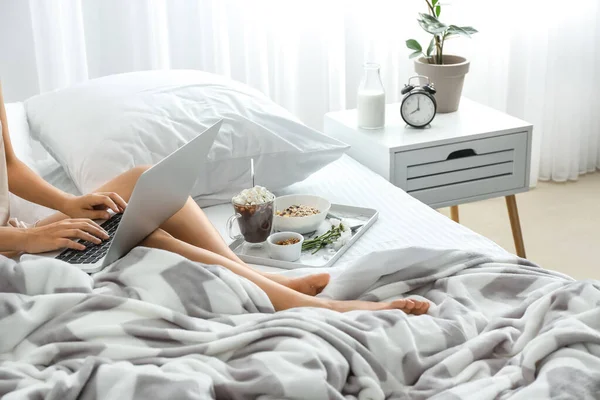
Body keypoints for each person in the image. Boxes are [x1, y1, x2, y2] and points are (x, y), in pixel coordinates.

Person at [0, 81, 429, 315]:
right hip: (11, 252)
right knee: (152, 237)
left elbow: (12, 168)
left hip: (19, 237)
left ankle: (248, 273)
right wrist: (24, 241)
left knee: (147, 184)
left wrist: (69, 205)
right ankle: (308, 306)